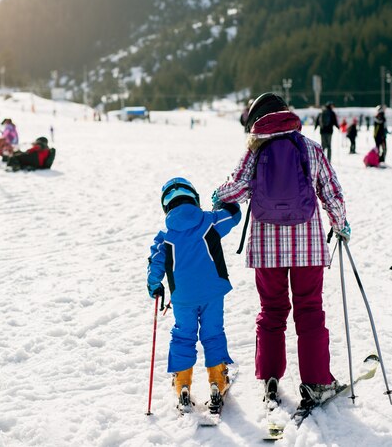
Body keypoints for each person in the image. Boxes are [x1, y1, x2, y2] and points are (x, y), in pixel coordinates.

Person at [213, 93, 349, 414]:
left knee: (272, 310)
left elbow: (237, 188)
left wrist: (218, 195)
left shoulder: (255, 151)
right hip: (308, 246)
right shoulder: (310, 147)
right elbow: (331, 191)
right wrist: (341, 225)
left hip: (266, 248)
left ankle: (270, 377)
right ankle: (317, 382)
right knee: (310, 310)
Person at [146, 177, 241, 412]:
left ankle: (183, 385)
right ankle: (218, 382)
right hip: (212, 292)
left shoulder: (165, 237)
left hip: (183, 298)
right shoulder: (210, 220)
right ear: (194, 199)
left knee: (183, 336)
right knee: (213, 333)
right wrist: (227, 203)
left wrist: (155, 286)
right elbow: (234, 216)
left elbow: (155, 266)